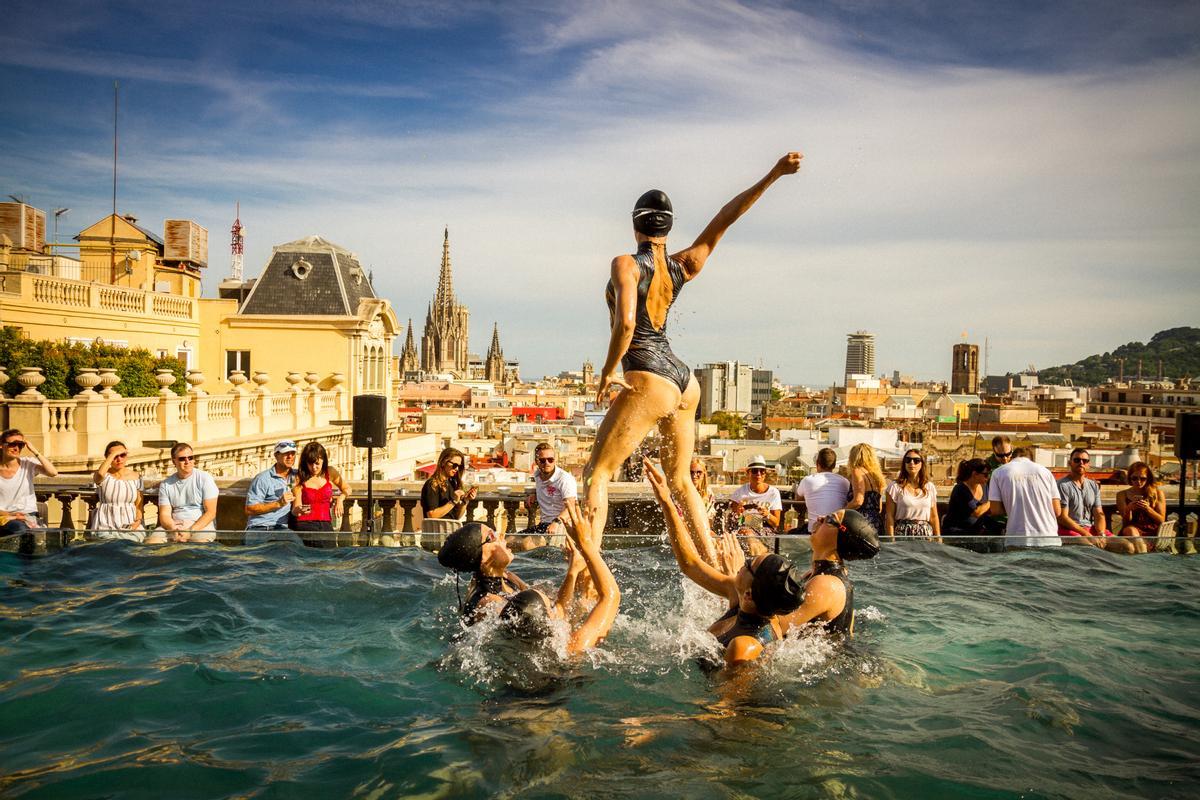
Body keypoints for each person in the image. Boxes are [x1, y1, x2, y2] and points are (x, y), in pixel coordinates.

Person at [583, 152, 804, 562]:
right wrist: (774, 174)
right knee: (682, 481)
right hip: (685, 384)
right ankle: (719, 569)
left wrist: (610, 370)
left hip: (648, 375)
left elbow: (627, 324)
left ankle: (585, 577)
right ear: (668, 229)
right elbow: (725, 218)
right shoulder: (682, 265)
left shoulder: (626, 264)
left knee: (597, 475)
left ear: (635, 225)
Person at [645, 460, 878, 668]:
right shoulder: (816, 575)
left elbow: (772, 626)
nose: (820, 517)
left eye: (830, 520)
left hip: (833, 678)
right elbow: (691, 565)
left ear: (841, 538)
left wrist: (736, 581)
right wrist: (667, 503)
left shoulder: (826, 585)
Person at [498, 503, 621, 657]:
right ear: (546, 620)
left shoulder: (516, 652)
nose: (555, 605)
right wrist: (585, 543)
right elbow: (611, 596)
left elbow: (562, 611)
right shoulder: (572, 649)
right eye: (551, 606)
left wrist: (573, 571)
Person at [438, 521, 529, 622]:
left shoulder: (507, 576)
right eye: (491, 536)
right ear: (483, 558)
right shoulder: (488, 603)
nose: (501, 535)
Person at [987, 446, 1060, 548]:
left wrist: (1013, 507)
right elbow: (1057, 511)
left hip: (1017, 538)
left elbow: (995, 510)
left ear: (1012, 457)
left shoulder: (998, 473)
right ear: (1032, 459)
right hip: (1048, 537)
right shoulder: (1046, 472)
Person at [149, 443, 219, 544]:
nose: (187, 461)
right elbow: (164, 514)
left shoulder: (205, 478)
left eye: (190, 458)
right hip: (175, 525)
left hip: (200, 525)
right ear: (174, 461)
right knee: (152, 542)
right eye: (182, 459)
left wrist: (190, 531)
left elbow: (210, 512)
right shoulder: (166, 484)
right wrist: (173, 529)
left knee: (199, 547)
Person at [517, 443, 578, 550]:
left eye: (550, 459)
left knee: (527, 544)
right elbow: (545, 487)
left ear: (555, 460)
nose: (547, 463)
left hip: (561, 525)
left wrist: (556, 522)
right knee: (509, 541)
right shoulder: (537, 475)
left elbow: (571, 507)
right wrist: (534, 494)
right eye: (542, 460)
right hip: (543, 525)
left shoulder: (564, 479)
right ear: (536, 461)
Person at [291, 441, 352, 547]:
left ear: (323, 460)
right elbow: (295, 509)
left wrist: (340, 499)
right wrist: (299, 510)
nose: (314, 467)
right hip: (306, 526)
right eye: (310, 464)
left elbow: (347, 488)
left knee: (330, 554)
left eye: (317, 463)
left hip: (326, 525)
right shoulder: (299, 478)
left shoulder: (330, 472)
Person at [0, 428, 59, 535]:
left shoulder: (28, 464)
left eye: (20, 445)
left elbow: (53, 472)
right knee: (19, 528)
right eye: (12, 444)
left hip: (28, 515)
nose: (16, 448)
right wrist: (11, 515)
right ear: (1, 445)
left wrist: (34, 451)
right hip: (4, 516)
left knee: (60, 533)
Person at [244, 440, 300, 544]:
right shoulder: (262, 478)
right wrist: (278, 503)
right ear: (276, 455)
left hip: (282, 529)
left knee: (298, 549)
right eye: (286, 453)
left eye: (292, 453)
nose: (290, 457)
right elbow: (249, 509)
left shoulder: (296, 475)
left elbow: (322, 471)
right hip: (259, 528)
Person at [90, 440, 145, 541]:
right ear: (107, 458)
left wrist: (136, 523)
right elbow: (100, 474)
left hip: (130, 525)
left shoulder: (137, 477)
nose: (119, 459)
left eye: (122, 455)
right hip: (106, 525)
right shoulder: (103, 476)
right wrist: (113, 454)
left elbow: (139, 506)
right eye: (115, 456)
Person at [727, 455, 781, 555]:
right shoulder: (740, 493)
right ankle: (761, 556)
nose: (758, 474)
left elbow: (776, 523)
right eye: (755, 471)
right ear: (748, 473)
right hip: (745, 529)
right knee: (746, 533)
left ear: (765, 474)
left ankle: (757, 557)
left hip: (766, 531)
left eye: (762, 471)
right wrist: (739, 514)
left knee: (748, 536)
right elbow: (733, 521)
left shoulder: (774, 493)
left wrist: (767, 514)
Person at [885, 449, 941, 541]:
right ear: (904, 463)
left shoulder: (929, 487)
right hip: (903, 533)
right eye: (908, 460)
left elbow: (934, 516)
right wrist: (891, 539)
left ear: (922, 464)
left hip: (925, 534)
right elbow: (889, 516)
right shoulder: (894, 487)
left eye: (916, 460)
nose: (911, 463)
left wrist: (938, 537)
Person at [1115, 461, 1166, 555]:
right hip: (1131, 529)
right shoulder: (1122, 495)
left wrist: (1148, 509)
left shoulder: (1157, 493)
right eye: (1134, 478)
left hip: (1152, 531)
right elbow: (1126, 522)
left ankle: (1142, 557)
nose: (1138, 481)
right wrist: (1129, 509)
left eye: (1143, 478)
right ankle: (1143, 557)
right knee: (1131, 530)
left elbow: (1161, 520)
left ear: (1148, 478)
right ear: (1130, 478)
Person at [794, 447, 849, 532]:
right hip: (837, 532)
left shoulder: (807, 480)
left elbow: (798, 498)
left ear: (817, 463)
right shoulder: (844, 482)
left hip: (815, 531)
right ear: (834, 465)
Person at [421, 447, 476, 522]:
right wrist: (453, 501)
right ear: (443, 462)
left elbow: (456, 516)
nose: (457, 469)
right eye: (455, 465)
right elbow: (431, 515)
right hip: (438, 529)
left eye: (459, 466)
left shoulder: (451, 483)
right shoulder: (432, 484)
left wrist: (465, 500)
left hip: (451, 527)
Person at [942, 458, 993, 536]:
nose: (988, 477)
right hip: (957, 534)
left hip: (975, 533)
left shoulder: (984, 486)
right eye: (985, 474)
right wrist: (991, 501)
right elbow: (976, 512)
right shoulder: (960, 489)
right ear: (974, 474)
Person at [844, 442, 885, 535]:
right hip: (876, 521)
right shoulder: (876, 476)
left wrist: (841, 512)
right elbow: (879, 507)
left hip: (861, 521)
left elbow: (858, 501)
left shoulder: (857, 471)